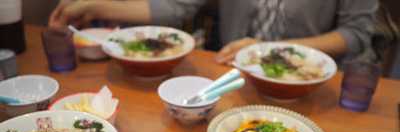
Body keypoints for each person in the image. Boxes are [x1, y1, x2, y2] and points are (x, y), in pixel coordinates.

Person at [49, 0, 379, 64]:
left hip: (301, 78)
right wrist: (93, 6)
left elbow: (357, 33)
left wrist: (266, 49)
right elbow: (177, 7)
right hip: (226, 69)